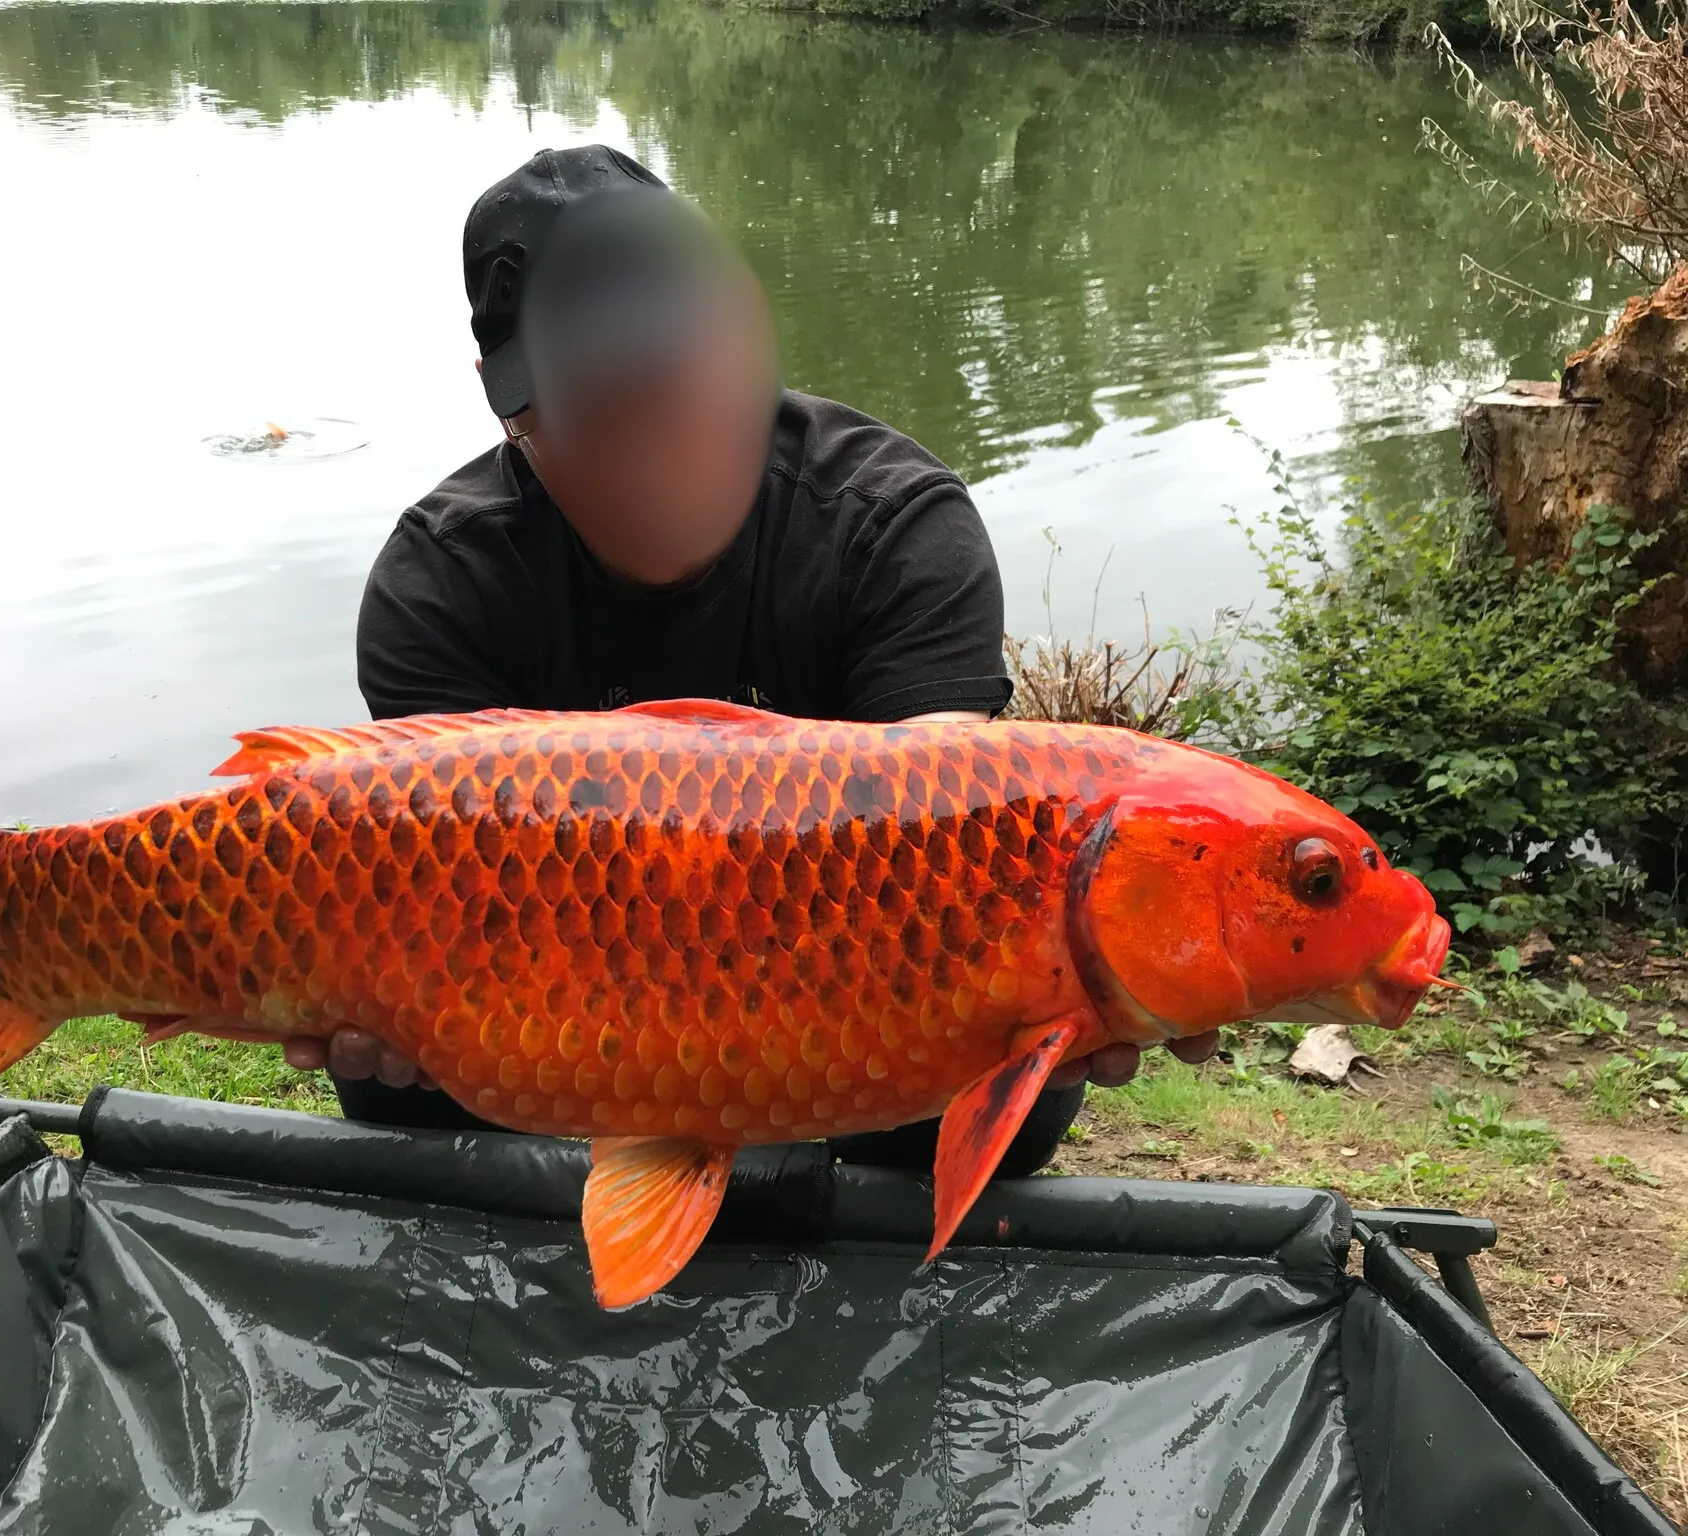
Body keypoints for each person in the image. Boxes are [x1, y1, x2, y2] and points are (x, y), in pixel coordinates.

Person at [284, 145, 1219, 1174]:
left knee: (1013, 1095)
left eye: (673, 386)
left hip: (852, 975)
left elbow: (962, 858)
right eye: (591, 409)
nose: (647, 449)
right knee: (388, 1073)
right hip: (552, 984)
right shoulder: (439, 579)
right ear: (505, 401)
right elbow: (420, 881)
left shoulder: (893, 523)